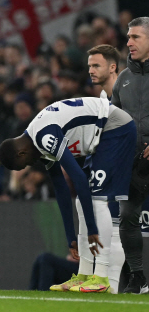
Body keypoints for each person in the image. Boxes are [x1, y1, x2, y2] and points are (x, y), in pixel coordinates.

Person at [0, 97, 136, 293]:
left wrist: (91, 228)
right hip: (100, 134)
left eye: (25, 164)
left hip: (114, 128)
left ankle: (102, 277)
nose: (29, 165)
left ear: (21, 153)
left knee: (97, 201)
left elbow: (78, 178)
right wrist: (71, 237)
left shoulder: (44, 137)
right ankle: (85, 275)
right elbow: (61, 188)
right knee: (82, 201)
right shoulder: (37, 142)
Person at [111, 17, 149, 294]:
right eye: (128, 37)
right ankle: (138, 277)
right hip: (135, 162)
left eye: (135, 37)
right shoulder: (123, 78)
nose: (129, 42)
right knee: (127, 216)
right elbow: (113, 120)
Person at [87, 44, 125, 293]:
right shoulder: (101, 101)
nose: (90, 70)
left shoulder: (132, 93)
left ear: (112, 67)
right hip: (112, 170)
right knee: (113, 229)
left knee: (124, 230)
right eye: (89, 65)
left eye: (96, 65)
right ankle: (109, 288)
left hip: (134, 170)